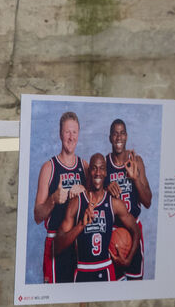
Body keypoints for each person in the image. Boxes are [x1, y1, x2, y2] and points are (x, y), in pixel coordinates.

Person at [54, 153, 138, 282]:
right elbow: (57, 246)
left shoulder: (114, 204)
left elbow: (136, 230)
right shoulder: (76, 203)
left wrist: (128, 260)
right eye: (94, 168)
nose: (98, 173)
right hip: (82, 271)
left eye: (101, 168)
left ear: (106, 172)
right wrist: (81, 225)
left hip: (106, 271)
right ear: (89, 172)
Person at [33, 111, 85, 284]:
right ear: (60, 134)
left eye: (74, 132)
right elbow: (37, 216)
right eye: (67, 132)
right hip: (55, 242)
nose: (71, 137)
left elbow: (96, 203)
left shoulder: (85, 167)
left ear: (79, 134)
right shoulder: (49, 168)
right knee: (55, 294)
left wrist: (85, 190)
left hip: (78, 242)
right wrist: (53, 199)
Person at [106, 118, 153, 280]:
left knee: (135, 284)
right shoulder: (104, 165)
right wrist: (105, 189)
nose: (119, 137)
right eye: (115, 133)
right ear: (110, 138)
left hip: (134, 232)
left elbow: (148, 202)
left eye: (122, 133)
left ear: (126, 136)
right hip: (113, 232)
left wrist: (135, 179)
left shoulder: (136, 162)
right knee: (113, 286)